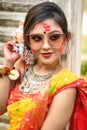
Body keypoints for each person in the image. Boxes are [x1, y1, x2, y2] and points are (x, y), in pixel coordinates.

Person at [0, 1, 87, 130]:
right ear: (28, 41)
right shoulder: (21, 67)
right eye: (37, 38)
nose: (46, 46)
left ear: (66, 38)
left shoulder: (65, 86)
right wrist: (8, 62)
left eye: (54, 37)